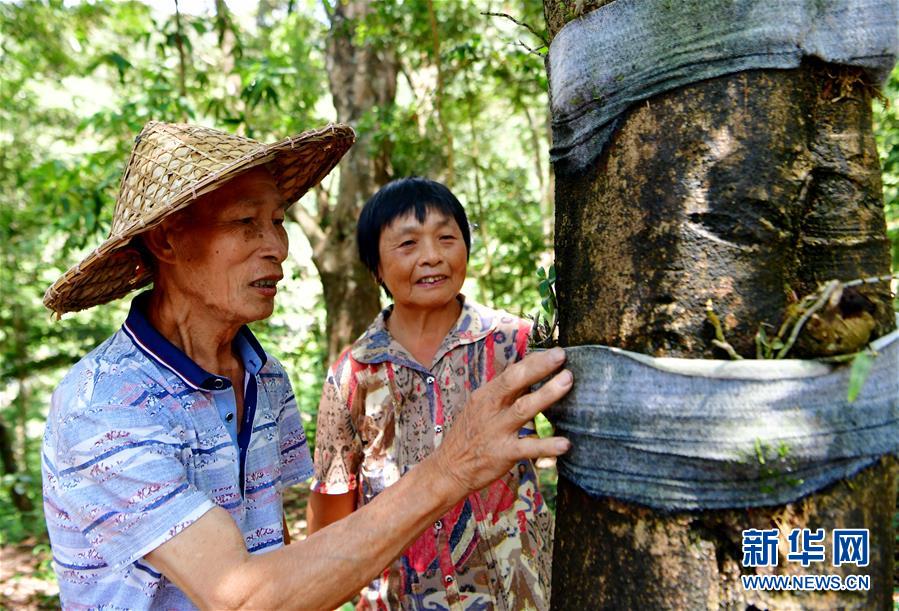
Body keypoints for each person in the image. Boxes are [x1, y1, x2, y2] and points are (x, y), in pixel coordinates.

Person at [40, 122, 572, 610]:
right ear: (167, 239)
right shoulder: (103, 404)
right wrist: (453, 467)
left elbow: (281, 552)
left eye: (277, 220)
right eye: (246, 222)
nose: (278, 246)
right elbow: (241, 597)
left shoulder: (264, 377)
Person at [308, 177, 554, 610]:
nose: (432, 257)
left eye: (446, 237)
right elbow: (330, 519)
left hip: (517, 595)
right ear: (376, 267)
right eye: (407, 245)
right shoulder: (351, 375)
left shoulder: (516, 345)